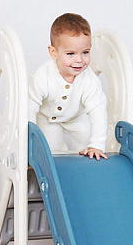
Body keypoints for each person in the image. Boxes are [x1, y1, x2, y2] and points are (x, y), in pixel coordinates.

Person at [29, 13, 108, 159]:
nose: (79, 60)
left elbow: (98, 111)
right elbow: (29, 108)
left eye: (85, 52)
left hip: (77, 116)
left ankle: (85, 165)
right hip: (48, 118)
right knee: (51, 149)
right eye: (71, 54)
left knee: (87, 139)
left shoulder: (90, 80)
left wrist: (96, 145)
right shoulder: (42, 76)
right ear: (54, 53)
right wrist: (28, 143)